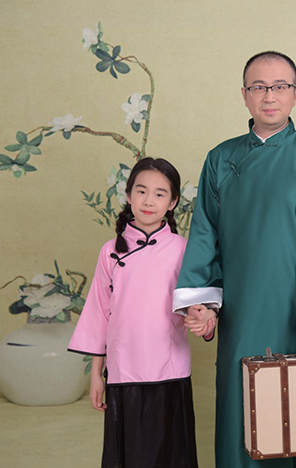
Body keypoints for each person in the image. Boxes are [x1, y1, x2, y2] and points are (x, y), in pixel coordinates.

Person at [175, 51, 296, 468]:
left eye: (279, 86)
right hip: (241, 310)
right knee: (241, 406)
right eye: (259, 87)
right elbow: (205, 233)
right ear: (244, 95)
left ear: (295, 94)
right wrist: (203, 303)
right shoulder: (221, 158)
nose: (269, 96)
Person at [68, 157, 200, 468]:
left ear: (172, 202)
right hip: (123, 371)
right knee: (129, 457)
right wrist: (97, 375)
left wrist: (203, 319)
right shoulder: (110, 251)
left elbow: (199, 305)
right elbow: (99, 314)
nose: (149, 201)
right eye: (141, 191)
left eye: (159, 194)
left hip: (169, 371)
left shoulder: (184, 249)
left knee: (171, 458)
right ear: (128, 196)